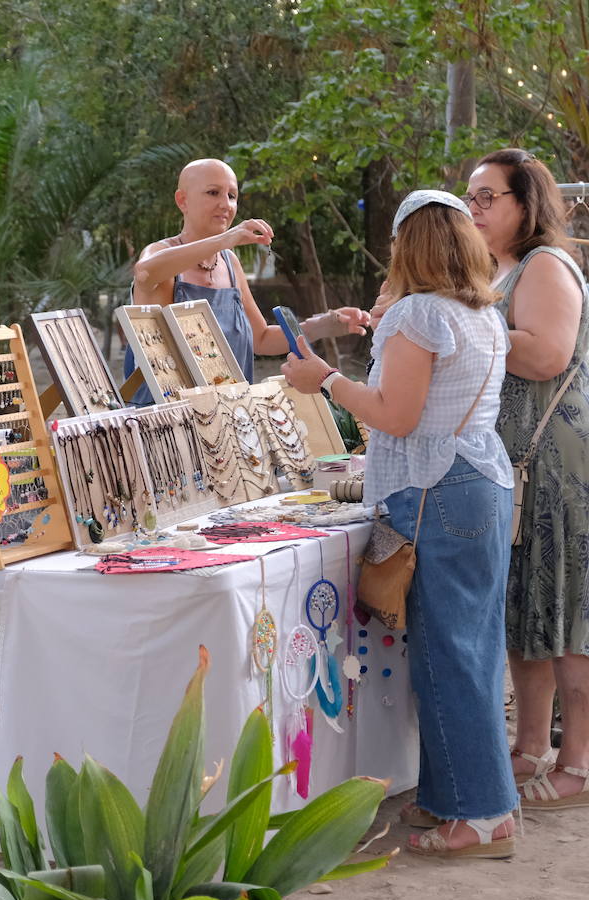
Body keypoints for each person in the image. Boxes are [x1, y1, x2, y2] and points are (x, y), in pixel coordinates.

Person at [283, 190, 517, 859]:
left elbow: (396, 415)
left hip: (436, 488)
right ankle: (460, 797)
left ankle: (478, 817)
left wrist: (326, 379)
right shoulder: (480, 315)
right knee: (467, 648)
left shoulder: (418, 313)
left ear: (405, 247)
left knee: (450, 654)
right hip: (478, 482)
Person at [465, 148, 589, 809]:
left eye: (486, 197)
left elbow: (545, 355)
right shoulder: (495, 270)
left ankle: (580, 764)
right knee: (524, 607)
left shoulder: (545, 265)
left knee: (570, 606)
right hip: (521, 466)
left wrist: (466, 322)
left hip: (567, 463)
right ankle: (530, 748)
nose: (472, 208)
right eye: (469, 197)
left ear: (524, 205)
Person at [128, 158, 371, 399]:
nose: (225, 204)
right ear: (182, 200)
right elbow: (145, 272)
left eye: (232, 196)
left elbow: (262, 339)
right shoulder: (161, 252)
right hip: (169, 424)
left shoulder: (230, 264)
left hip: (229, 417)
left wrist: (321, 326)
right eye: (213, 193)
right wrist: (225, 239)